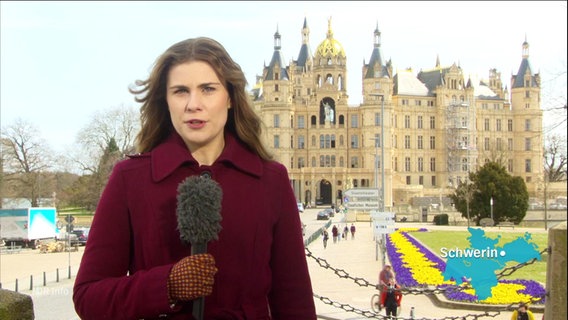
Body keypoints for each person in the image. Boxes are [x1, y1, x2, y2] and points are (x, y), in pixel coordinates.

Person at [73, 37, 316, 320]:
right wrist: (167, 285)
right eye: (180, 91)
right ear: (166, 101)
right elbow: (88, 297)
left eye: (208, 89)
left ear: (230, 98)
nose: (193, 104)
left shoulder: (270, 180)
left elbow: (294, 300)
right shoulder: (130, 179)